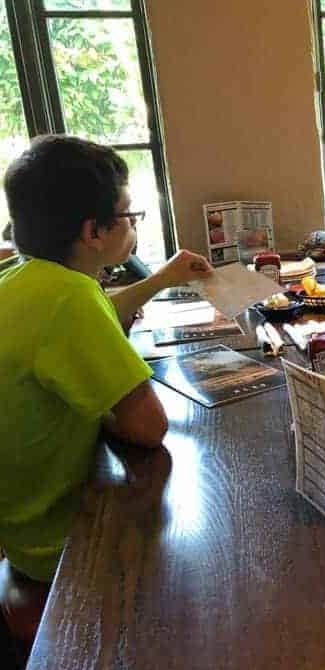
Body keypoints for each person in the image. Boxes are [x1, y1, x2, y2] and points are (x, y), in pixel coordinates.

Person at [0, 135, 213, 584]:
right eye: (129, 216)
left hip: (19, 534)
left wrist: (164, 277)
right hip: (63, 542)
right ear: (92, 232)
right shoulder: (70, 297)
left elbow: (101, 310)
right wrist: (103, 402)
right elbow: (148, 427)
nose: (134, 226)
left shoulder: (24, 277)